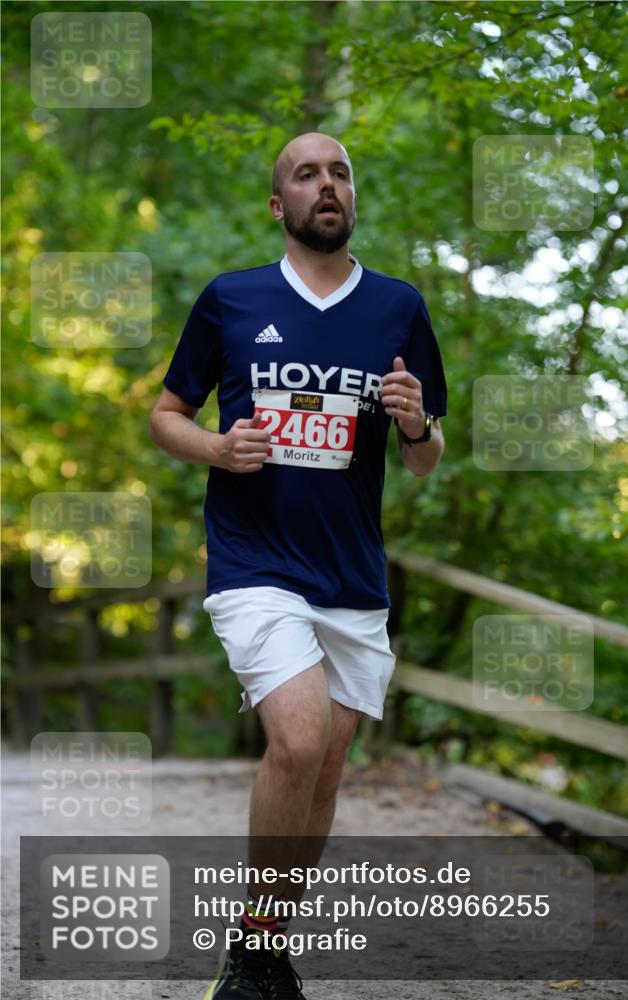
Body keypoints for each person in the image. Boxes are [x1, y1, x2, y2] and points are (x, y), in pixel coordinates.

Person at [149, 132, 447, 1000]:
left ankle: (268, 947)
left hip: (351, 574)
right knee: (301, 739)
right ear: (279, 205)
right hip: (254, 562)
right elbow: (166, 416)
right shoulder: (231, 299)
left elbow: (423, 459)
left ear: (352, 197)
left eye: (339, 173)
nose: (327, 185)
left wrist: (416, 424)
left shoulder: (397, 307)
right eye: (307, 175)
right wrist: (217, 446)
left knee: (324, 767)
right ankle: (248, 953)